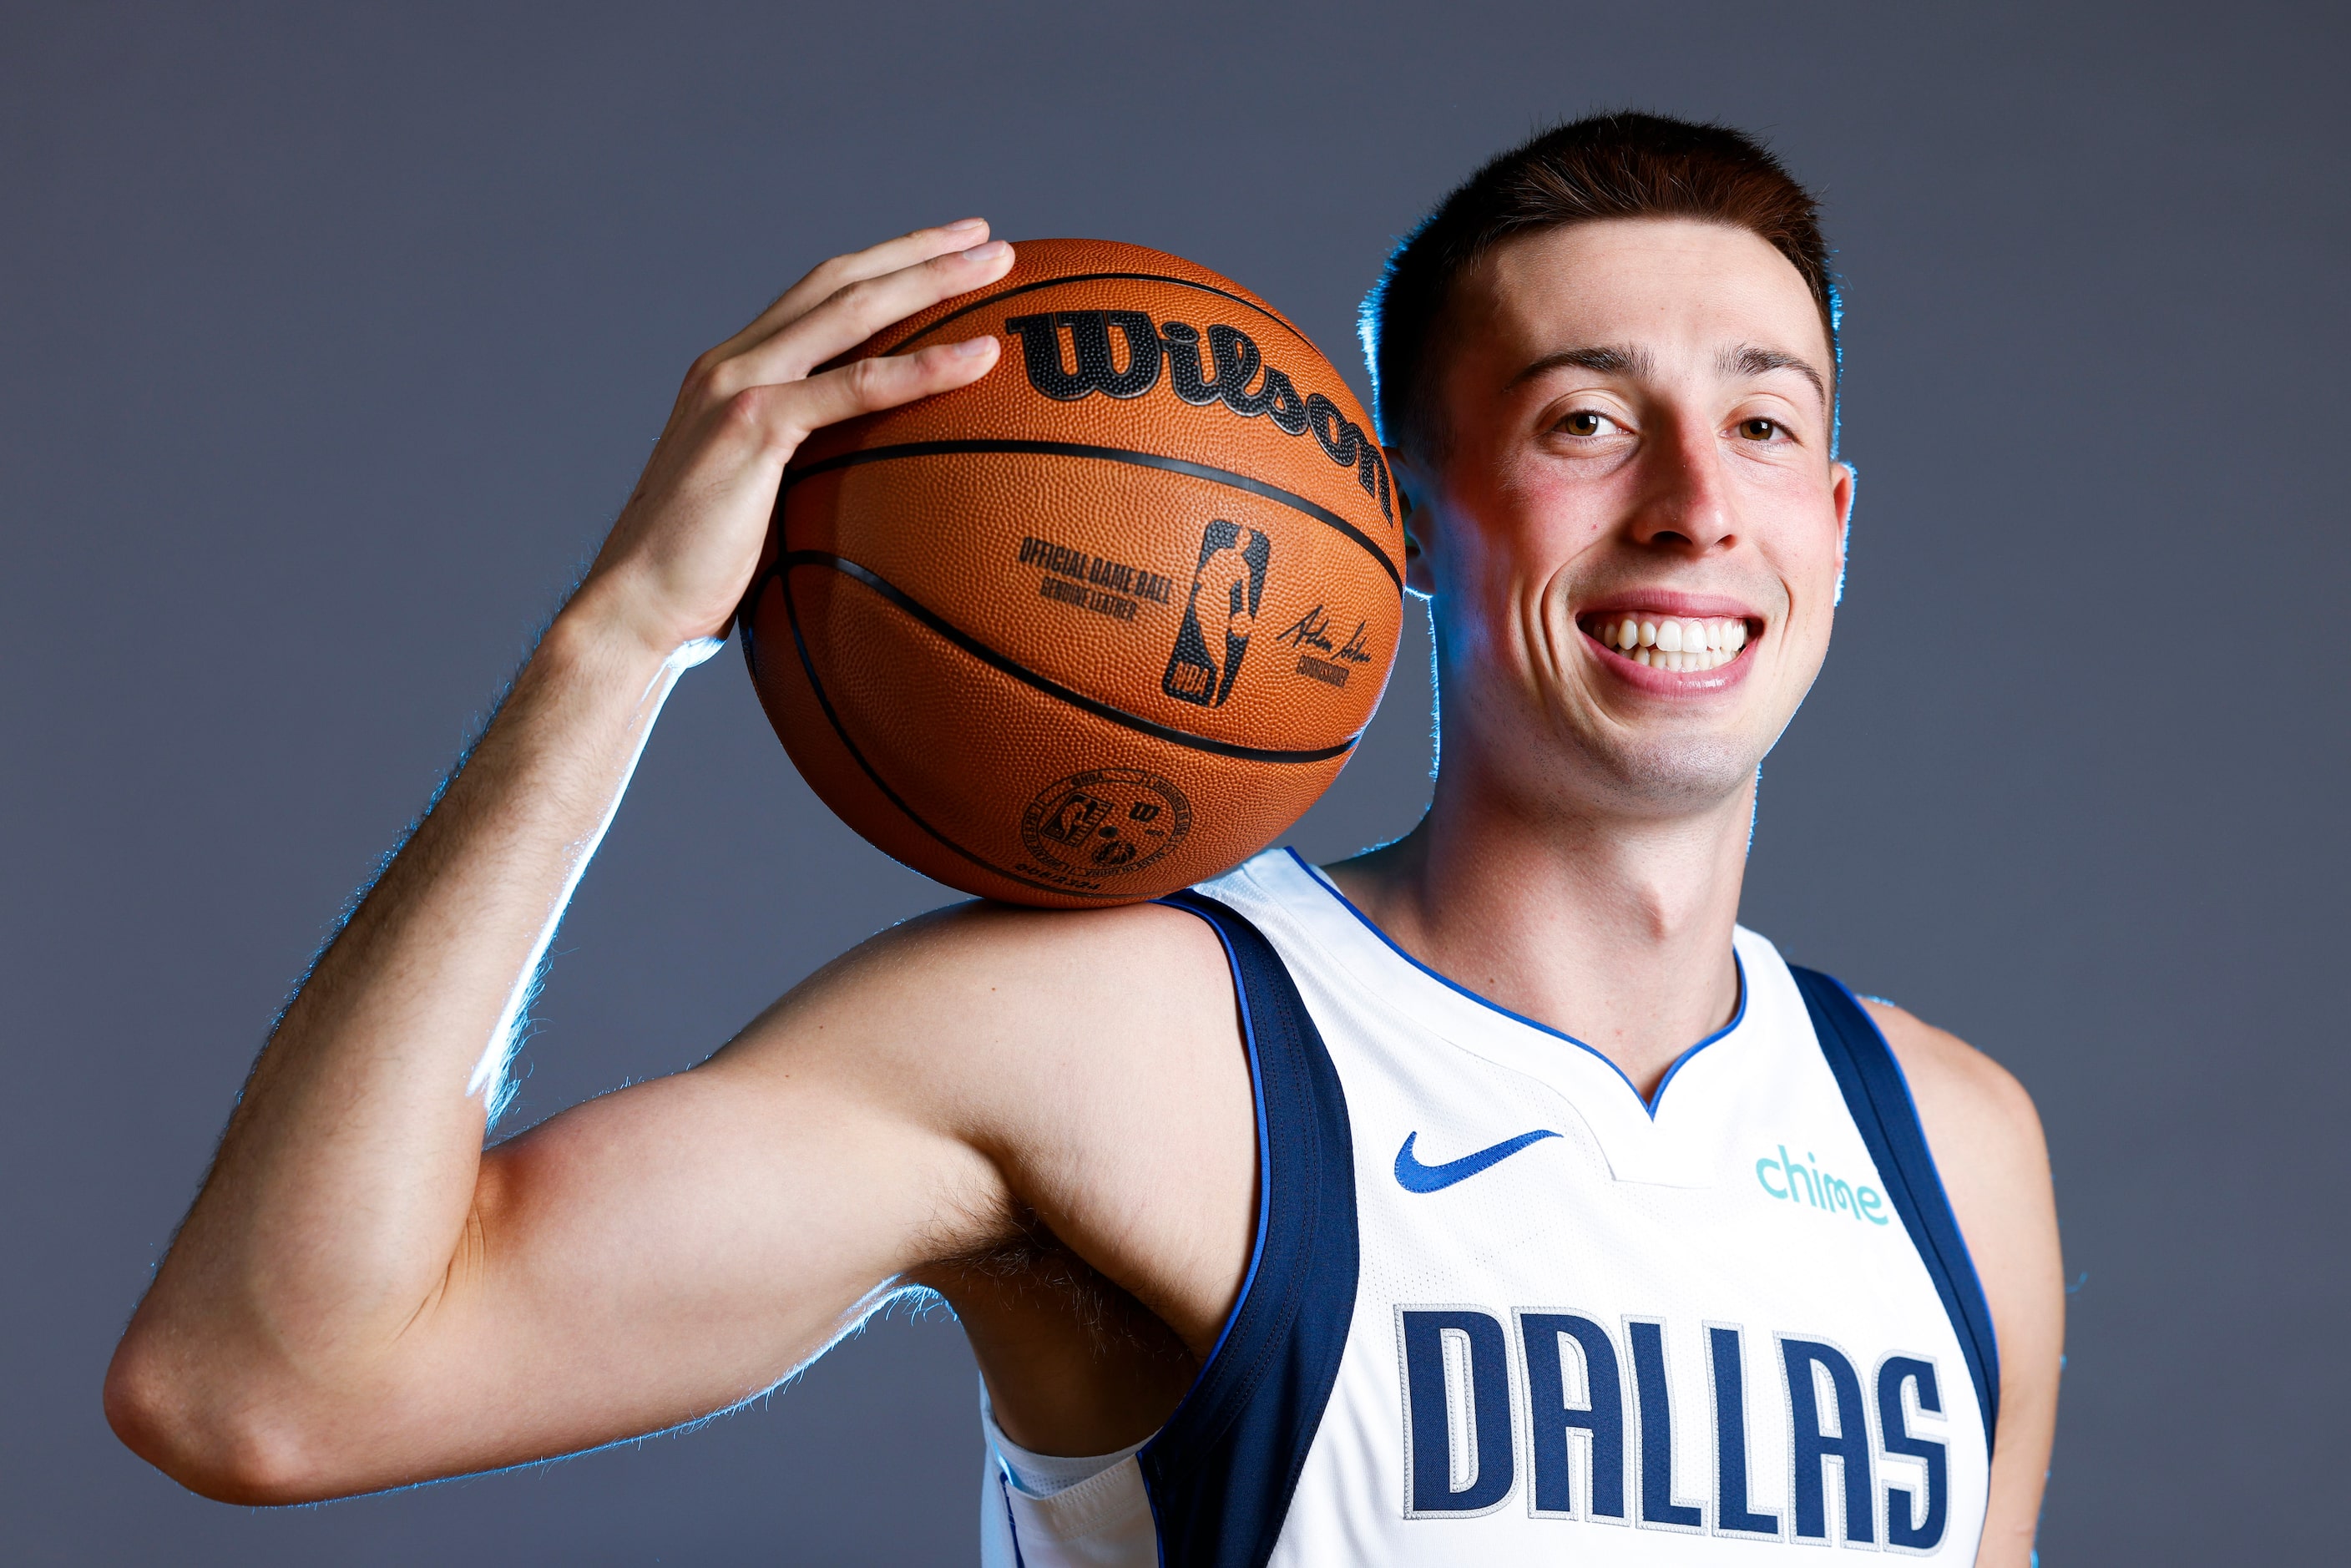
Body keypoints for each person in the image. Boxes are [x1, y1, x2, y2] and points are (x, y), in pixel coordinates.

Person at [104, 113, 2062, 1564]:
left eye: (1767, 424)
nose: (1694, 504)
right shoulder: (1112, 1038)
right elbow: (263, 1384)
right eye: (1579, 422)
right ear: (1401, 523)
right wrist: (621, 648)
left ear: (1833, 525)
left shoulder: (1953, 1154)